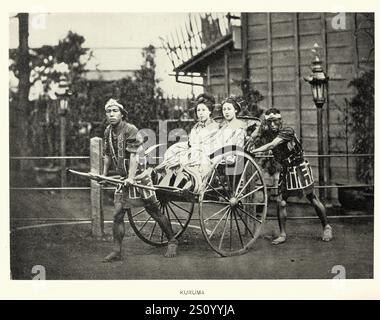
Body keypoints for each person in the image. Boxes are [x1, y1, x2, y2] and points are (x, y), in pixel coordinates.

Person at [102, 98, 178, 262]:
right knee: (117, 214)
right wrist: (104, 175)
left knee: (154, 211)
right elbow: (107, 155)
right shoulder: (108, 131)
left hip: (140, 176)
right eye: (108, 112)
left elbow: (134, 155)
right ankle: (117, 250)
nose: (111, 114)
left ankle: (172, 240)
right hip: (124, 178)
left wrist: (131, 178)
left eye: (115, 111)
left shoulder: (130, 129)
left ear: (122, 114)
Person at [248, 108, 333, 245]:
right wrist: (257, 129)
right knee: (281, 201)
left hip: (299, 167)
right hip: (285, 169)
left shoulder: (287, 131)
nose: (272, 124)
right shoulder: (269, 131)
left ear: (280, 121)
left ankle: (327, 227)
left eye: (275, 121)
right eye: (269, 122)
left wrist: (254, 151)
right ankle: (282, 234)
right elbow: (254, 135)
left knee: (312, 198)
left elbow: (272, 145)